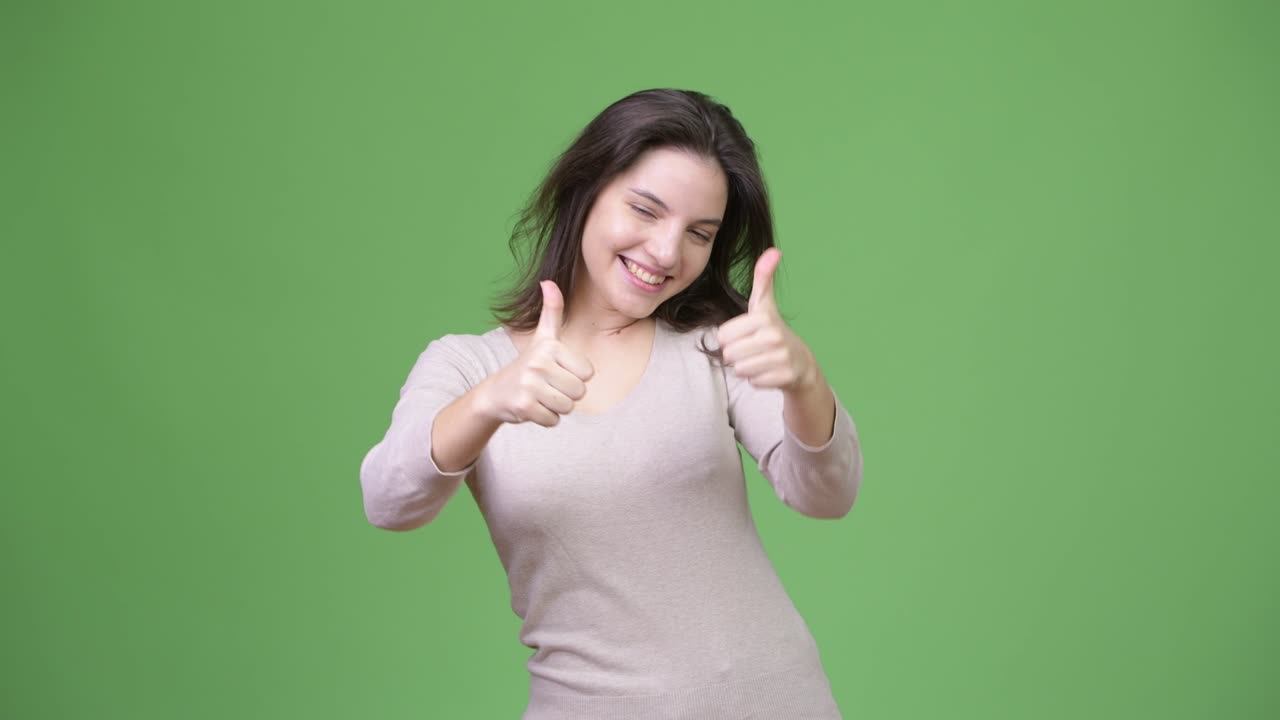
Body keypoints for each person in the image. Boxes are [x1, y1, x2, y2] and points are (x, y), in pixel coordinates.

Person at [359, 88, 864, 719]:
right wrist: (489, 401)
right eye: (646, 210)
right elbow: (388, 500)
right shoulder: (467, 365)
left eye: (699, 234)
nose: (665, 252)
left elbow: (825, 495)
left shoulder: (714, 344)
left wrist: (805, 381)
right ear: (586, 188)